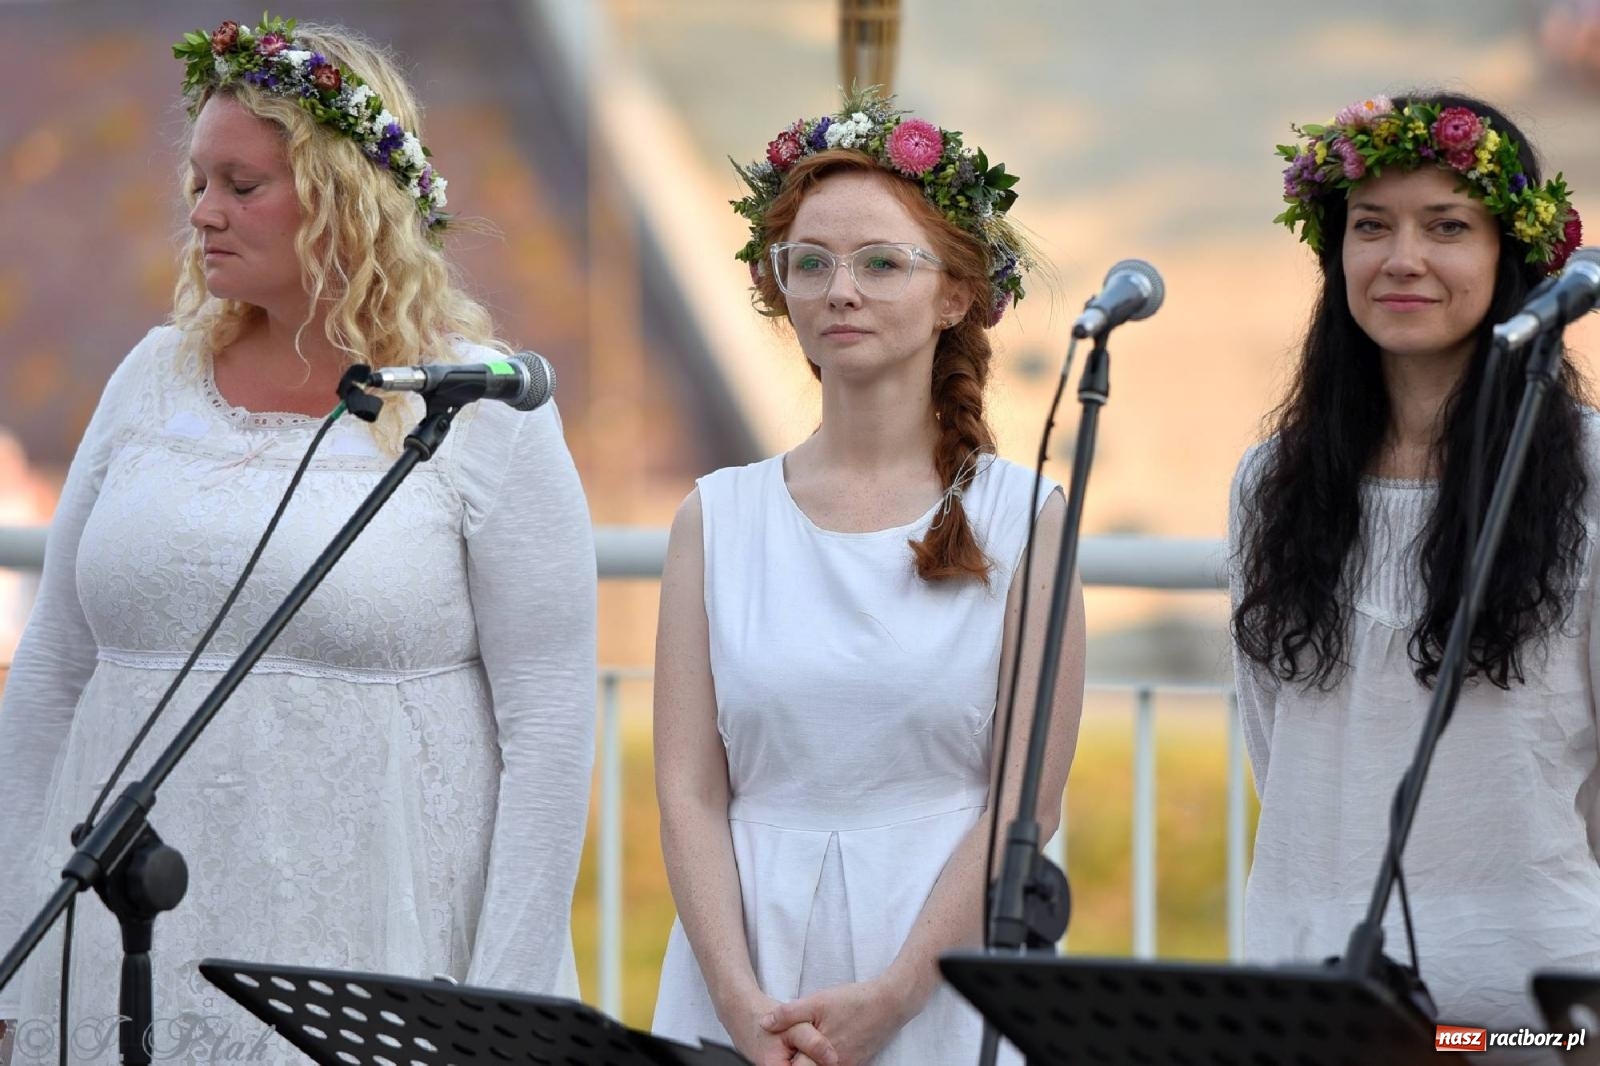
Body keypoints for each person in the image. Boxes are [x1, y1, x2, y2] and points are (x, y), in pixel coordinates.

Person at [0, 15, 595, 1063]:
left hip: (369, 943)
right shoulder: (149, 378)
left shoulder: (479, 403)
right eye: (198, 181)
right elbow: (51, 669)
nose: (202, 213)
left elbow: (548, 726)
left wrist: (509, 997)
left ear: (345, 199)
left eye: (241, 185)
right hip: (127, 937)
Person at [650, 90, 1085, 1066]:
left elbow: (1023, 803)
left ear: (956, 294)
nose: (839, 290)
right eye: (811, 263)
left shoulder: (1024, 520)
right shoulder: (714, 520)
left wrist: (892, 999)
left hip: (940, 969)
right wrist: (738, 1001)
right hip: (744, 970)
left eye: (881, 262)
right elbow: (687, 789)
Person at [1231, 91, 1598, 1043]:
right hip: (1311, 985)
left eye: (1447, 227)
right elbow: (1278, 743)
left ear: (1510, 253)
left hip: (1529, 1003)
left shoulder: (1591, 475)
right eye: (1370, 227)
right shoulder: (1274, 478)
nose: (1403, 260)